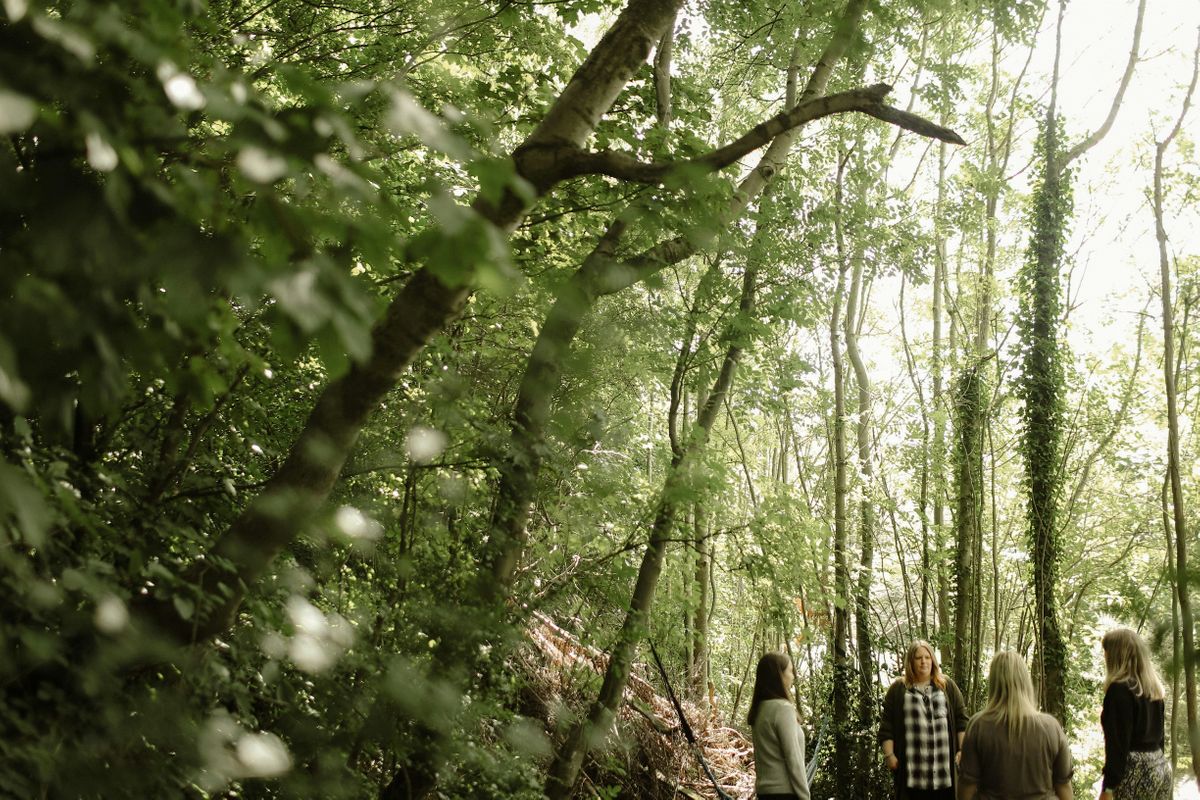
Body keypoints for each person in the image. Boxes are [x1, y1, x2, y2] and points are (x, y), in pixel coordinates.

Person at [957, 651, 1073, 800]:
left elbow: (967, 786)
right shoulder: (1051, 727)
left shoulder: (978, 726)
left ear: (993, 682)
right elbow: (1063, 785)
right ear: (1025, 681)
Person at [879, 640, 969, 800]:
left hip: (944, 776)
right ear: (910, 661)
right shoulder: (898, 690)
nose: (923, 661)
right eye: (918, 657)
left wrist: (962, 750)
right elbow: (887, 726)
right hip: (912, 777)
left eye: (927, 657)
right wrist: (889, 755)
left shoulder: (947, 686)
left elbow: (961, 721)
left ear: (933, 660)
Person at [1099, 627, 1171, 800]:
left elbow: (1117, 744)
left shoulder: (1118, 691)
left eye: (1106, 652)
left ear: (1117, 655)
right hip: (1160, 768)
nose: (1105, 657)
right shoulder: (1153, 690)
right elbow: (1160, 739)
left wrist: (1108, 788)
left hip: (1135, 773)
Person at [749, 652, 810, 800]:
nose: (793, 676)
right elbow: (793, 758)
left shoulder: (760, 708)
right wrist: (805, 796)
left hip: (764, 793)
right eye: (790, 671)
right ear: (779, 675)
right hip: (785, 793)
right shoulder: (783, 709)